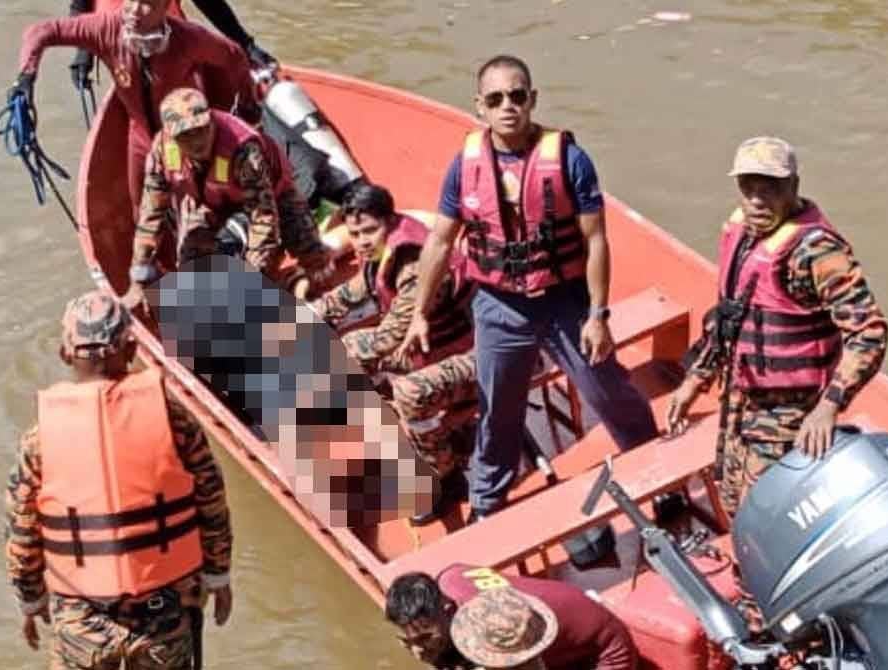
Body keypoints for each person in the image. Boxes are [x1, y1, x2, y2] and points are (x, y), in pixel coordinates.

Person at [399, 54, 658, 521]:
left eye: (517, 96)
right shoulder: (465, 166)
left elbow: (596, 239)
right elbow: (439, 241)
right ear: (480, 107)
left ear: (532, 99)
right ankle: (487, 501)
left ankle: (656, 474)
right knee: (497, 406)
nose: (508, 107)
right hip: (499, 305)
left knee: (605, 388)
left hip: (564, 301)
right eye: (495, 99)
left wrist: (598, 316)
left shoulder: (570, 160)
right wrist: (419, 311)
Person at [4, 290, 233, 669]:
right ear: (130, 349)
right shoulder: (174, 420)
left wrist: (30, 601)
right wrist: (218, 575)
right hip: (165, 613)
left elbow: (22, 530)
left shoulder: (40, 438)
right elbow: (212, 502)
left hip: (81, 620)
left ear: (65, 355)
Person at [665, 136, 888, 517]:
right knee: (733, 497)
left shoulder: (816, 253)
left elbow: (869, 332)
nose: (756, 200)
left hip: (789, 414)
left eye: (769, 189)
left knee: (767, 510)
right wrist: (696, 380)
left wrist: (829, 406)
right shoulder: (744, 236)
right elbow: (728, 318)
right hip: (741, 400)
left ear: (794, 187)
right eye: (747, 187)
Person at [317, 182, 477, 524]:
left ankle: (445, 479)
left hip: (475, 356)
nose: (361, 241)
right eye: (355, 233)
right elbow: (353, 292)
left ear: (389, 222)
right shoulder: (381, 253)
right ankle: (414, 438)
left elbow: (390, 337)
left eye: (369, 231)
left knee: (392, 381)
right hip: (434, 349)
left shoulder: (414, 265)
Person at [13, 0, 258, 209]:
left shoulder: (188, 38)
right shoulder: (106, 28)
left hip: (182, 136)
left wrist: (247, 104)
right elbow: (40, 31)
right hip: (139, 137)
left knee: (197, 205)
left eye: (146, 3)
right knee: (142, 210)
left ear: (166, 6)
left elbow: (234, 56)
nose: (133, 10)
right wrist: (26, 77)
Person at [126, 87, 331, 310]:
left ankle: (306, 284)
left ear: (212, 121)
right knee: (192, 262)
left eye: (201, 130)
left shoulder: (243, 150)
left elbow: (263, 215)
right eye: (185, 136)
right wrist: (140, 273)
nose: (196, 142)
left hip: (273, 197)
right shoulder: (162, 151)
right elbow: (151, 214)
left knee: (311, 253)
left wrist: (254, 271)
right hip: (211, 199)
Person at [385, 565, 638, 670]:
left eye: (426, 638)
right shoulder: (449, 578)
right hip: (566, 622)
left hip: (604, 651)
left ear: (449, 611)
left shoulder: (497, 629)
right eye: (409, 642)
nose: (419, 653)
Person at [68, 0, 276, 95]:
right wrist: (83, 52)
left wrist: (246, 45)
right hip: (117, 38)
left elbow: (210, 4)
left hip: (167, 33)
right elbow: (79, 6)